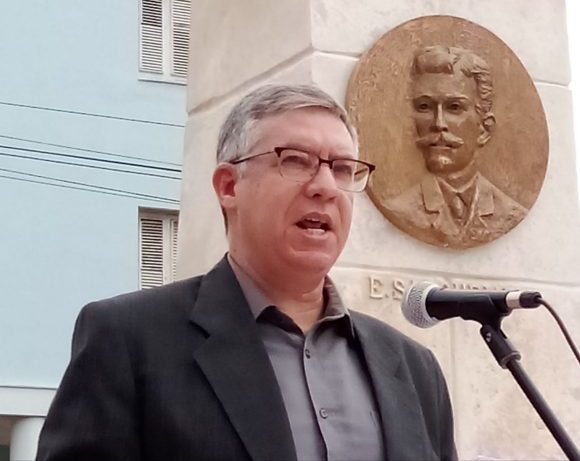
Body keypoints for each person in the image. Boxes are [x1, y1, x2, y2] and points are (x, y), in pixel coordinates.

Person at [37, 84, 457, 461]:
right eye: (296, 161)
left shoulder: (413, 367)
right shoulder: (129, 339)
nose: (325, 186)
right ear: (228, 186)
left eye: (343, 168)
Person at [386, 46, 527, 248]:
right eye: (424, 107)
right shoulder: (399, 208)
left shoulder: (510, 211)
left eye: (454, 107)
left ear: (484, 129)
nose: (438, 123)